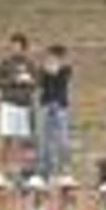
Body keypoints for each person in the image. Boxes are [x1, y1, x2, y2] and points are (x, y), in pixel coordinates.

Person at [0, 33, 38, 171]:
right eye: (12, 46)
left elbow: (37, 83)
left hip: (24, 105)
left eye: (18, 46)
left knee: (24, 139)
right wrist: (13, 81)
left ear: (24, 48)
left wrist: (30, 82)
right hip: (8, 104)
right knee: (6, 137)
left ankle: (23, 169)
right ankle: (2, 169)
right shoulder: (5, 63)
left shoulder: (30, 64)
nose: (14, 49)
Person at [38, 44, 72, 176]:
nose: (49, 58)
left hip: (60, 106)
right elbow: (40, 83)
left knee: (63, 138)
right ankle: (47, 169)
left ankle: (64, 167)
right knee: (45, 139)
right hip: (46, 104)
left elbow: (59, 77)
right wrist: (44, 71)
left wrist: (51, 69)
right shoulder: (43, 70)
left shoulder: (66, 69)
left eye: (52, 56)